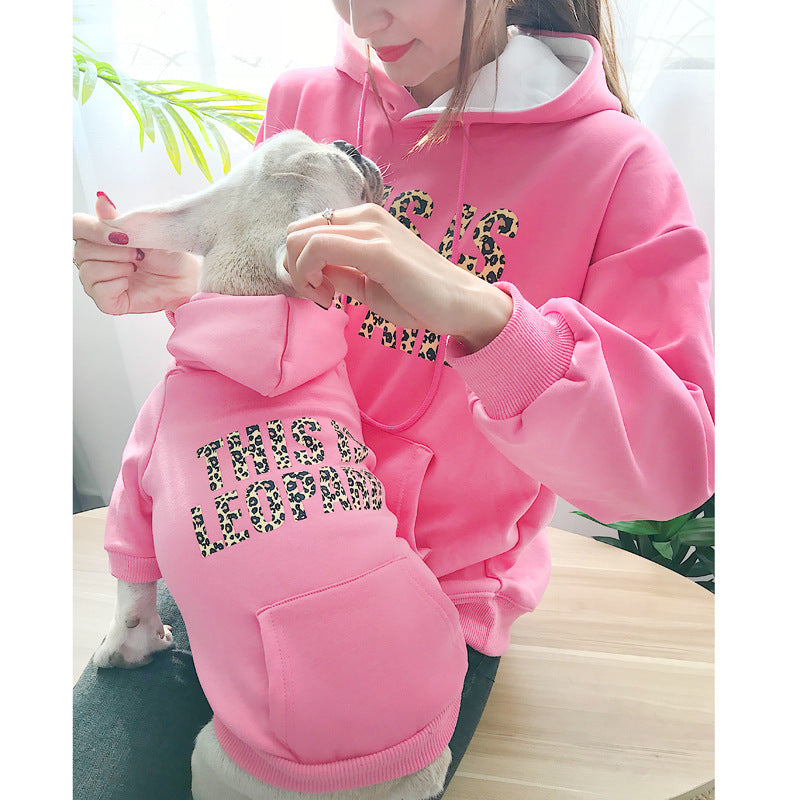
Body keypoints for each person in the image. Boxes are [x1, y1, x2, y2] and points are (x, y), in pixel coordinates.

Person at [72, 1, 715, 798]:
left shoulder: (616, 166)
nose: (363, 19)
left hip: (431, 605)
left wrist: (484, 319)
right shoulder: (306, 99)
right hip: (252, 540)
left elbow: (670, 474)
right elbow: (270, 317)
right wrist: (193, 285)